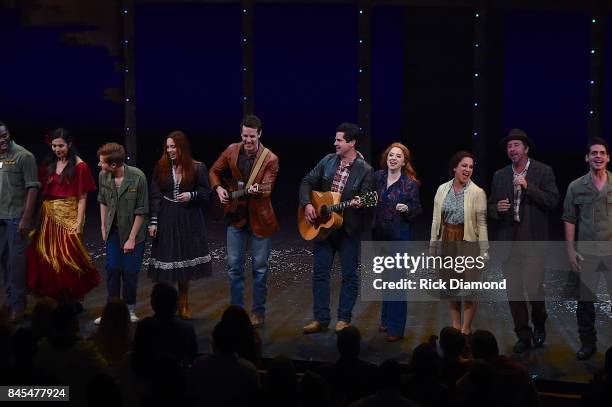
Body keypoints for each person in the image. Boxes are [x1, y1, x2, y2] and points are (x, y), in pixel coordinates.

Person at [487, 129, 559, 353]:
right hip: (509, 242)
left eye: (516, 145)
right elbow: (489, 207)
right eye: (509, 146)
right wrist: (496, 209)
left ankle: (539, 324)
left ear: (526, 148)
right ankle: (523, 334)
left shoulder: (543, 171)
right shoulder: (500, 175)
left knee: (534, 289)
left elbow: (552, 200)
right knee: (514, 291)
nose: (512, 149)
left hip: (533, 241)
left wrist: (529, 187)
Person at [300, 122, 374, 334]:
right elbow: (306, 181)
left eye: (339, 140)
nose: (335, 143)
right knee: (320, 273)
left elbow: (368, 200)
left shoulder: (365, 170)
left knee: (349, 275)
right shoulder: (328, 161)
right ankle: (320, 319)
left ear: (351, 143)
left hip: (348, 230)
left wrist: (361, 203)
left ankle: (343, 319)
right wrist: (307, 204)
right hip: (324, 229)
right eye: (336, 139)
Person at [209, 114, 279, 327]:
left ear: (259, 134)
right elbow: (214, 171)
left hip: (260, 219)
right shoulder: (232, 150)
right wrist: (218, 188)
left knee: (259, 269)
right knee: (234, 268)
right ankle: (237, 312)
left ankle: (258, 313)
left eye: (252, 137)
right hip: (235, 217)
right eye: (245, 136)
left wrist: (256, 190)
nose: (248, 141)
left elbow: (266, 190)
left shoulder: (270, 159)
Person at [26, 128, 100, 304]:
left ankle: (68, 300)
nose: (57, 149)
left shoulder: (80, 166)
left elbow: (82, 197)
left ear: (70, 145)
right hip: (47, 218)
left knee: (67, 258)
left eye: (61, 146)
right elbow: (41, 190)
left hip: (68, 216)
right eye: (54, 146)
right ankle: (52, 299)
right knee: (45, 258)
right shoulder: (49, 164)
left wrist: (79, 222)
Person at [148, 131, 212, 320]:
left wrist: (190, 195)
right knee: (167, 261)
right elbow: (155, 195)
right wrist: (153, 221)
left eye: (173, 146)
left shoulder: (197, 167)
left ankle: (183, 304)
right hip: (167, 215)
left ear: (181, 147)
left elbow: (205, 192)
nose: (170, 150)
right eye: (167, 147)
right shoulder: (161, 167)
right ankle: (166, 306)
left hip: (188, 217)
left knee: (184, 261)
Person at [562, 137, 612, 360]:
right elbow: (569, 219)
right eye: (594, 153)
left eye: (602, 153)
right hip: (587, 253)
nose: (598, 156)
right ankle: (588, 345)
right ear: (587, 158)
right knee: (585, 304)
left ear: (608, 157)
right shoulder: (576, 186)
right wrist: (571, 250)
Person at [430, 151, 488, 336]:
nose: (468, 170)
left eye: (471, 167)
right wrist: (433, 245)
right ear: (455, 167)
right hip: (447, 239)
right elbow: (435, 220)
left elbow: (482, 223)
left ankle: (465, 330)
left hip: (468, 242)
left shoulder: (478, 192)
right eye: (464, 165)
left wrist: (484, 250)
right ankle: (456, 326)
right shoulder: (442, 189)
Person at [372, 142, 422, 342]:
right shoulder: (378, 177)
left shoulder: (409, 183)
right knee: (385, 280)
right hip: (380, 236)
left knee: (396, 282)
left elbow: (417, 208)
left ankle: (396, 327)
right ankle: (386, 320)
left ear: (404, 161)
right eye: (390, 155)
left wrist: (407, 208)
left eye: (398, 156)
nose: (393, 158)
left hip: (399, 237)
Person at [96, 142, 148, 324]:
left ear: (114, 165)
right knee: (112, 269)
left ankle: (129, 308)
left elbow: (141, 210)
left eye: (102, 162)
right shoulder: (103, 176)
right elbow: (102, 200)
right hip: (113, 231)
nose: (99, 165)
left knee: (129, 271)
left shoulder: (138, 177)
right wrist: (103, 226)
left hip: (134, 232)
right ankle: (111, 310)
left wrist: (132, 239)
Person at [0, 121, 40, 322]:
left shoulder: (24, 156)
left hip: (16, 217)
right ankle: (10, 300)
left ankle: (18, 306)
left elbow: (32, 188)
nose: (3, 139)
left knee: (16, 264)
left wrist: (26, 218)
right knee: (4, 262)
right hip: (0, 217)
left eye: (5, 135)